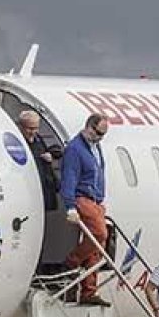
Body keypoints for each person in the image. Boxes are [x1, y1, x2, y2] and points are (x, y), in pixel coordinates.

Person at [60, 113, 110, 306]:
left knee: (97, 250)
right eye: (97, 133)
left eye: (103, 135)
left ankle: (89, 291)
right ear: (88, 127)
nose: (99, 137)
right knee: (99, 235)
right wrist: (70, 206)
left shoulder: (96, 147)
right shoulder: (75, 149)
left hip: (96, 200)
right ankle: (72, 262)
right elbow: (69, 178)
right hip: (82, 198)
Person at [17, 111, 62, 211]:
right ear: (20, 126)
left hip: (44, 189)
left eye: (36, 128)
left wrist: (50, 155)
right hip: (28, 191)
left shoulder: (38, 139)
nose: (33, 132)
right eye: (30, 128)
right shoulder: (17, 142)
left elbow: (56, 150)